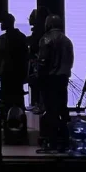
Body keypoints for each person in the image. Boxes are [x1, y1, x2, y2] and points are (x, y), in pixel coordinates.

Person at [36, 13, 74, 152]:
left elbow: (43, 61)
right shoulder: (67, 40)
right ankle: (64, 142)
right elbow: (70, 60)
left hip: (49, 79)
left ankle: (52, 143)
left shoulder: (46, 39)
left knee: (51, 111)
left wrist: (39, 75)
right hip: (63, 78)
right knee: (62, 110)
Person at [0, 13, 29, 143]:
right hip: (15, 75)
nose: (1, 24)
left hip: (9, 75)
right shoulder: (20, 37)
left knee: (9, 104)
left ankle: (11, 136)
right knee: (16, 104)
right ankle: (19, 135)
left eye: (2, 22)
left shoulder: (4, 39)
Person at [27, 7, 49, 110]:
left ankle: (39, 104)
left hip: (38, 63)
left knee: (38, 84)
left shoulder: (40, 33)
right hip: (36, 62)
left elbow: (34, 43)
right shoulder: (40, 31)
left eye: (32, 17)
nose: (29, 19)